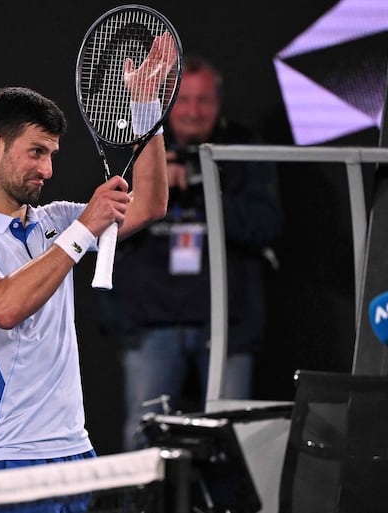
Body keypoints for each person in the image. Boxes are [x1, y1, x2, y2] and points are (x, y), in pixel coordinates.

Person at [0, 32, 176, 476]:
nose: (47, 170)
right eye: (36, 152)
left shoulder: (55, 220)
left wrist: (145, 107)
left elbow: (152, 202)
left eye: (53, 154)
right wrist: (82, 230)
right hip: (3, 460)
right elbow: (4, 307)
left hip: (74, 451)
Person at [105, 55, 284, 450]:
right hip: (151, 323)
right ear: (168, 100)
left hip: (225, 324)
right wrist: (153, 188)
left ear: (218, 102)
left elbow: (265, 226)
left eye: (203, 100)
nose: (192, 110)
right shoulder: (137, 147)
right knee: (143, 433)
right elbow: (106, 232)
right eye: (183, 99)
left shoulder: (244, 148)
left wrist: (205, 182)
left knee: (233, 436)